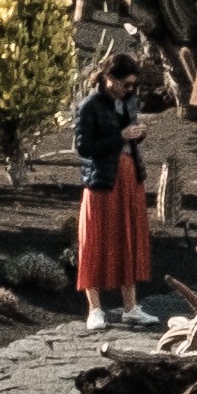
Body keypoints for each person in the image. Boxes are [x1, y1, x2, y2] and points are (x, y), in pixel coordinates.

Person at [72, 38, 160, 328]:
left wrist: (139, 134)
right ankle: (95, 309)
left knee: (129, 238)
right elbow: (83, 148)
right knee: (95, 241)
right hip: (102, 181)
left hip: (129, 177)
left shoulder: (128, 102)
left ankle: (131, 306)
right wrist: (121, 137)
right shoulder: (89, 106)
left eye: (134, 84)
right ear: (109, 78)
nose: (130, 89)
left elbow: (129, 134)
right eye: (126, 83)